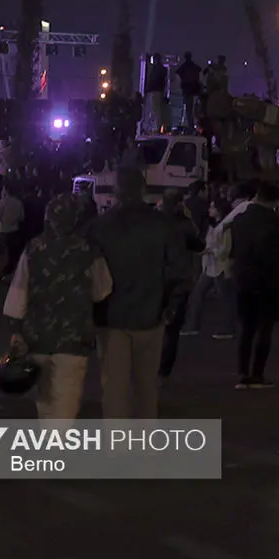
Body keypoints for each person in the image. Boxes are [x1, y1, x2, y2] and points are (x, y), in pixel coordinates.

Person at [90, 168, 190, 418]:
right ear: (143, 189)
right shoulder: (162, 224)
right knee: (147, 386)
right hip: (151, 314)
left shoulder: (100, 227)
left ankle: (118, 446)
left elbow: (87, 273)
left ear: (116, 191)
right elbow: (180, 270)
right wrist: (170, 307)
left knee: (114, 387)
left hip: (112, 317)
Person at [2, 195, 113, 421]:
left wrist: (16, 329)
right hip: (74, 338)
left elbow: (18, 293)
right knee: (66, 400)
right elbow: (102, 290)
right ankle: (58, 447)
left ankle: (50, 446)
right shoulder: (90, 250)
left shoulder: (34, 248)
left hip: (37, 336)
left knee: (44, 399)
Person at [228, 181, 279, 389]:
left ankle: (242, 373)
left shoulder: (240, 220)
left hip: (242, 278)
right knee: (264, 328)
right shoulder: (277, 223)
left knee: (245, 327)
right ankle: (257, 374)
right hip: (267, 280)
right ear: (274, 201)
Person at [158, 188, 205, 379]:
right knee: (172, 328)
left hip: (156, 277)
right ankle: (164, 369)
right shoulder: (185, 224)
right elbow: (198, 244)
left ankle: (149, 364)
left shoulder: (154, 222)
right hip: (179, 278)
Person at [181, 200, 236, 338]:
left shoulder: (226, 228)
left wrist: (209, 249)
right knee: (197, 295)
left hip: (220, 267)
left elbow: (225, 250)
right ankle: (192, 325)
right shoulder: (212, 226)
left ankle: (227, 328)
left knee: (224, 299)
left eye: (213, 207)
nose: (209, 210)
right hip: (209, 266)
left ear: (220, 210)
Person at [0, 184, 24, 277]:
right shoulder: (19, 203)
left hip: (3, 230)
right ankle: (10, 272)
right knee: (12, 253)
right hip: (14, 230)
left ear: (6, 190)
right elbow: (22, 217)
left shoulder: (2, 202)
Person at [175, 51, 203, 128]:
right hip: (195, 90)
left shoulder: (183, 68)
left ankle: (190, 125)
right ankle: (196, 124)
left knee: (189, 109)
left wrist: (181, 86)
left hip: (187, 91)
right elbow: (200, 79)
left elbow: (178, 76)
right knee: (195, 109)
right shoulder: (196, 68)